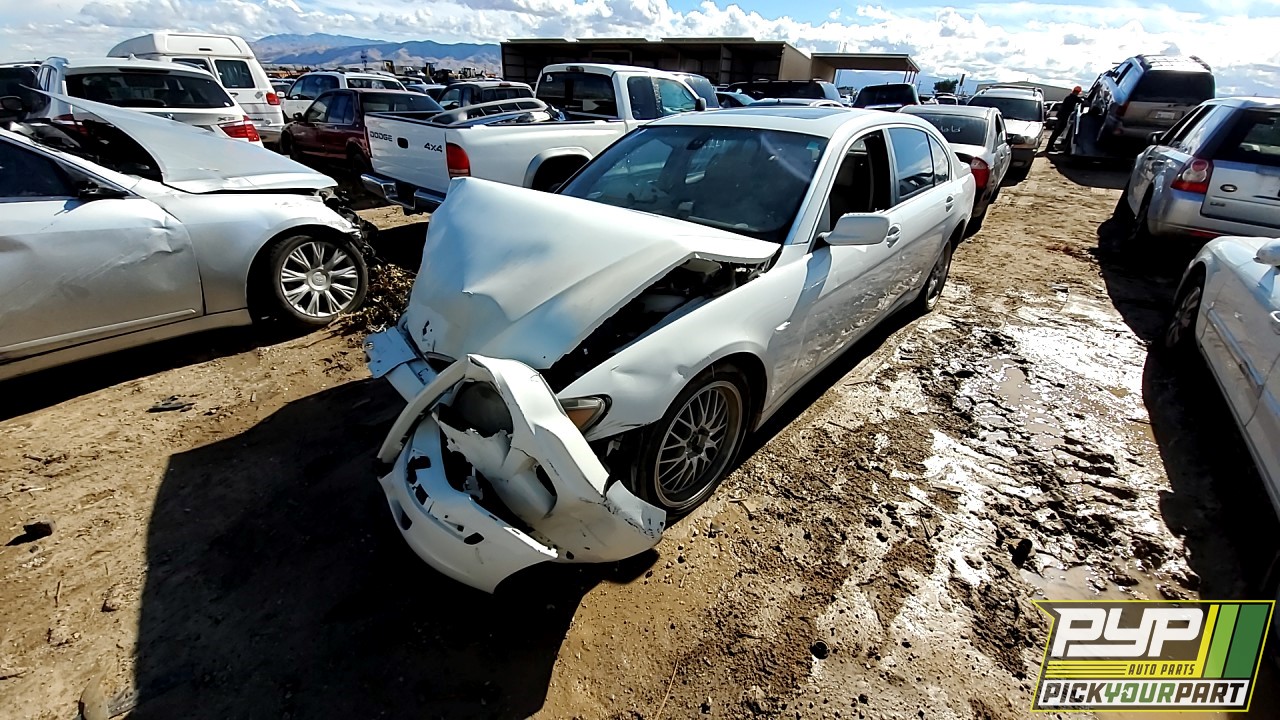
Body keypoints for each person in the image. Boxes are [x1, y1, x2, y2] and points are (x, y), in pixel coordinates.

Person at [1046, 86, 1084, 152]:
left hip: (1061, 117)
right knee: (1057, 132)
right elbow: (1081, 101)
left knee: (1056, 132)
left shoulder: (1068, 97)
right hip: (1063, 118)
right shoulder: (1074, 98)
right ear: (1078, 92)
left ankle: (1049, 147)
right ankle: (1049, 147)